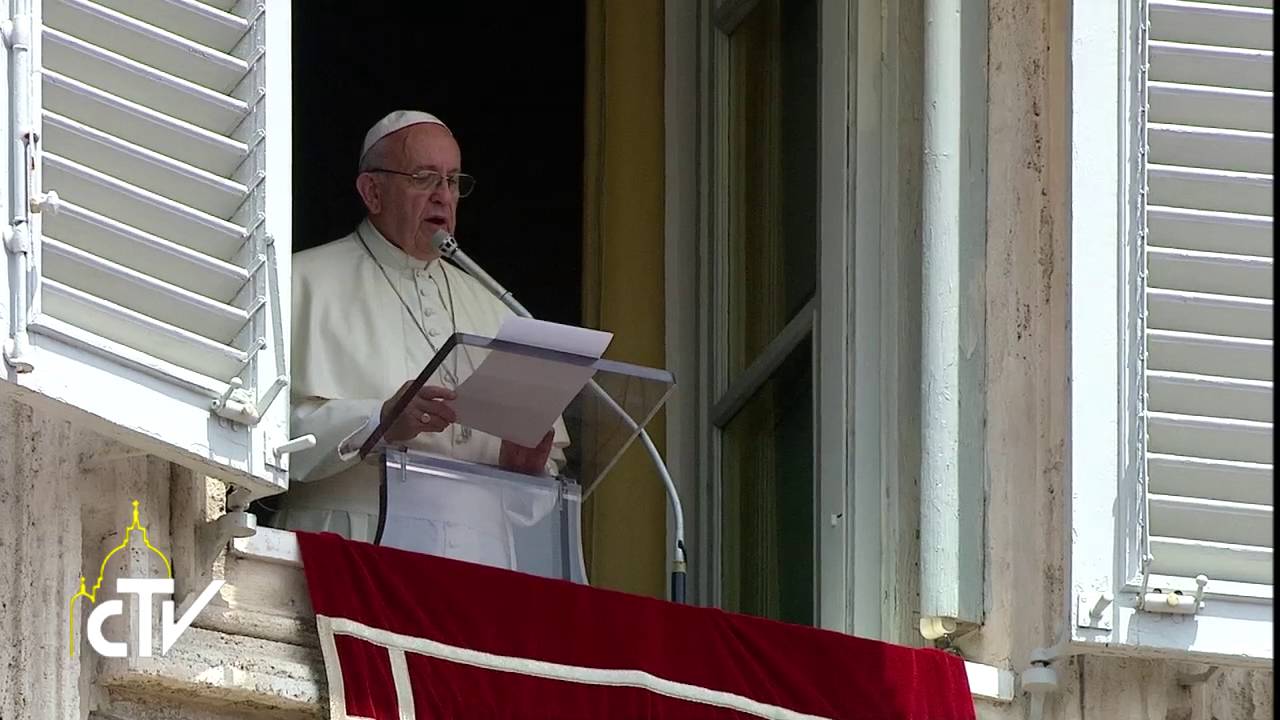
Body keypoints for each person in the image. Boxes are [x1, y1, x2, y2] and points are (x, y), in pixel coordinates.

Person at [272, 110, 569, 568]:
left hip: (479, 559)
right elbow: (264, 437)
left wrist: (524, 471)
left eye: (452, 182)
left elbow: (539, 488)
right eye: (424, 177)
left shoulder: (497, 308)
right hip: (350, 542)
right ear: (372, 191)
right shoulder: (298, 283)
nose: (442, 196)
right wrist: (380, 420)